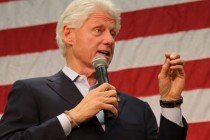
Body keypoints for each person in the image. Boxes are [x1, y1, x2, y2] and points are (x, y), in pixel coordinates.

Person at [0, 0, 188, 139]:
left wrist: (171, 102)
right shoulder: (31, 92)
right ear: (68, 35)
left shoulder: (138, 109)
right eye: (99, 30)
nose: (110, 40)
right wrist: (71, 117)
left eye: (113, 33)